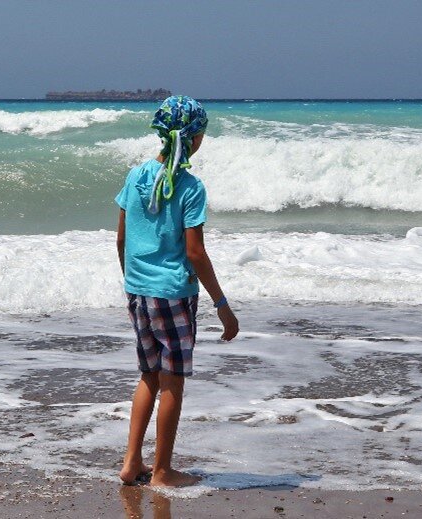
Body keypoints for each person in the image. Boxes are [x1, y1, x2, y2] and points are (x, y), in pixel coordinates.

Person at [115, 96, 239, 487]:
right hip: (173, 295)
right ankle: (163, 471)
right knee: (173, 381)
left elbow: (121, 238)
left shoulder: (136, 176)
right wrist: (222, 305)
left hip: (138, 292)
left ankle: (132, 462)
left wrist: (132, 280)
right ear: (195, 139)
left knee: (148, 376)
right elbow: (195, 253)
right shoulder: (190, 187)